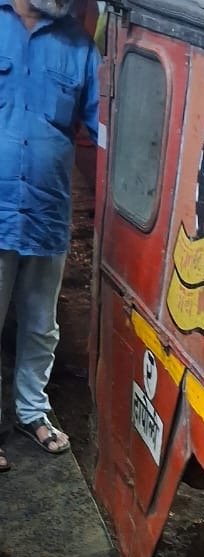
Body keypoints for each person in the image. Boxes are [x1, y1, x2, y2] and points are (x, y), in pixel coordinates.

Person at [0, 0, 99, 472]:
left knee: (41, 324)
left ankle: (31, 412)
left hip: (46, 212)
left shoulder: (79, 47)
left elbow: (104, 124)